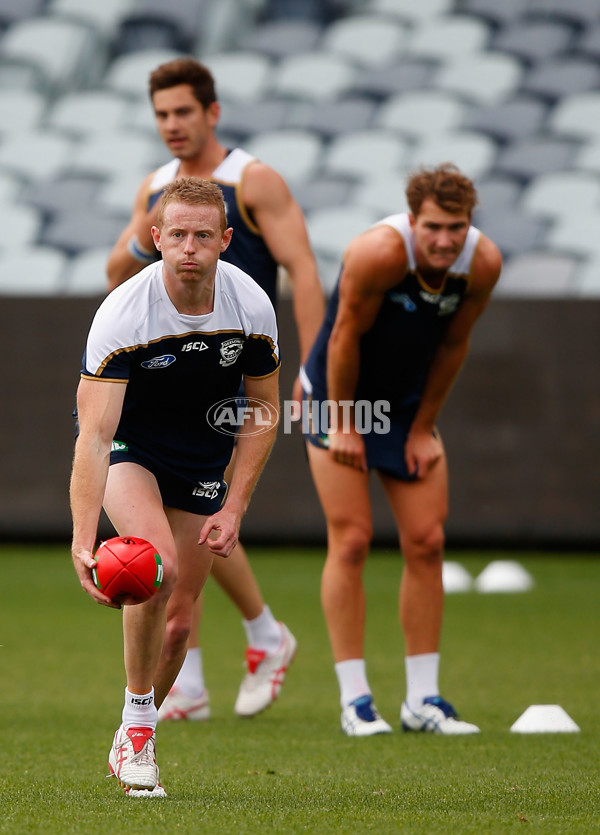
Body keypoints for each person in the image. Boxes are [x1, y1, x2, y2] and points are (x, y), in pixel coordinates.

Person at [106, 57, 325, 720]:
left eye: (183, 112)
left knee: (193, 522)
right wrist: (151, 238)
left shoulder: (253, 179)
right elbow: (118, 264)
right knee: (177, 531)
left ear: (213, 114)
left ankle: (261, 631)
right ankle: (194, 678)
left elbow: (305, 272)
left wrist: (314, 369)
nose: (172, 125)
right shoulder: (158, 189)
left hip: (232, 366)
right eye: (162, 114)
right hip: (174, 362)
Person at [70, 178, 280, 795]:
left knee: (181, 626)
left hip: (202, 460)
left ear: (226, 241)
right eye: (178, 234)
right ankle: (141, 733)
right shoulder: (123, 312)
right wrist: (84, 540)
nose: (190, 247)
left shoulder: (252, 307)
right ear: (157, 238)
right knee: (151, 566)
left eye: (204, 235)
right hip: (130, 452)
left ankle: (133, 726)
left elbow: (263, 410)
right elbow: (94, 435)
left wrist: (236, 504)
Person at [301, 163, 502, 736]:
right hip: (338, 400)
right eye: (434, 226)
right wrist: (343, 422)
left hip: (405, 405)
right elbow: (342, 339)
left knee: (427, 541)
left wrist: (421, 428)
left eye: (457, 227)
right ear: (412, 221)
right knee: (354, 539)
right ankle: (356, 700)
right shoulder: (378, 254)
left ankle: (423, 700)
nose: (445, 240)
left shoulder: (482, 265)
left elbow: (453, 345)